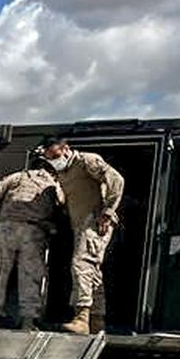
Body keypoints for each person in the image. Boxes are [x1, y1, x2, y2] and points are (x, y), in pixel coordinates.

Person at [36, 135, 125, 334]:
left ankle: (82, 318)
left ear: (65, 148)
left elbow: (116, 180)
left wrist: (108, 211)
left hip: (95, 222)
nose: (52, 160)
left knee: (81, 264)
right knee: (92, 271)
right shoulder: (63, 173)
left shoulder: (87, 161)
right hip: (80, 225)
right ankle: (97, 321)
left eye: (55, 155)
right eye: (48, 158)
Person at [0, 163, 63, 328]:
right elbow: (62, 207)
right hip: (34, 231)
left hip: (6, 229)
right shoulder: (54, 184)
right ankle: (28, 322)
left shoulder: (18, 176)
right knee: (30, 277)